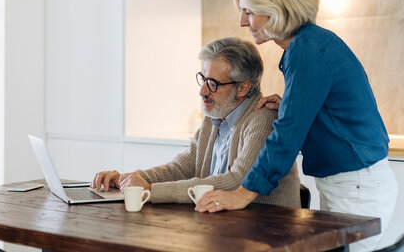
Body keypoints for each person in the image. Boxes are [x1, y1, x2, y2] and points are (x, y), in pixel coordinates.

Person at [195, 0, 398, 252]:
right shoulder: (311, 43)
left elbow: (287, 136)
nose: (243, 21)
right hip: (354, 185)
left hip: (356, 189)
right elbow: (329, 107)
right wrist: (293, 104)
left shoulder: (305, 51)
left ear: (275, 9)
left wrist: (243, 193)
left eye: (249, 11)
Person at [91, 37, 300, 207]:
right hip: (226, 229)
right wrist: (129, 179)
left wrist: (151, 191)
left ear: (243, 88)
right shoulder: (214, 117)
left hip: (268, 235)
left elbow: (237, 181)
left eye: (213, 83)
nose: (202, 91)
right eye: (203, 78)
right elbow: (180, 169)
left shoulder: (263, 117)